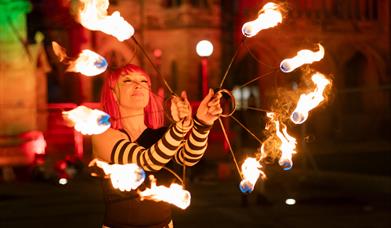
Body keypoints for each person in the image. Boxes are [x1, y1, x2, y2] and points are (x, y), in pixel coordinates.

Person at [92, 64, 222, 228]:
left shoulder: (161, 136)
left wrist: (203, 123)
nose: (138, 84)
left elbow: (188, 158)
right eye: (127, 80)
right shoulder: (103, 133)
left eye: (143, 81)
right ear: (113, 93)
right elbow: (145, 161)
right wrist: (180, 128)